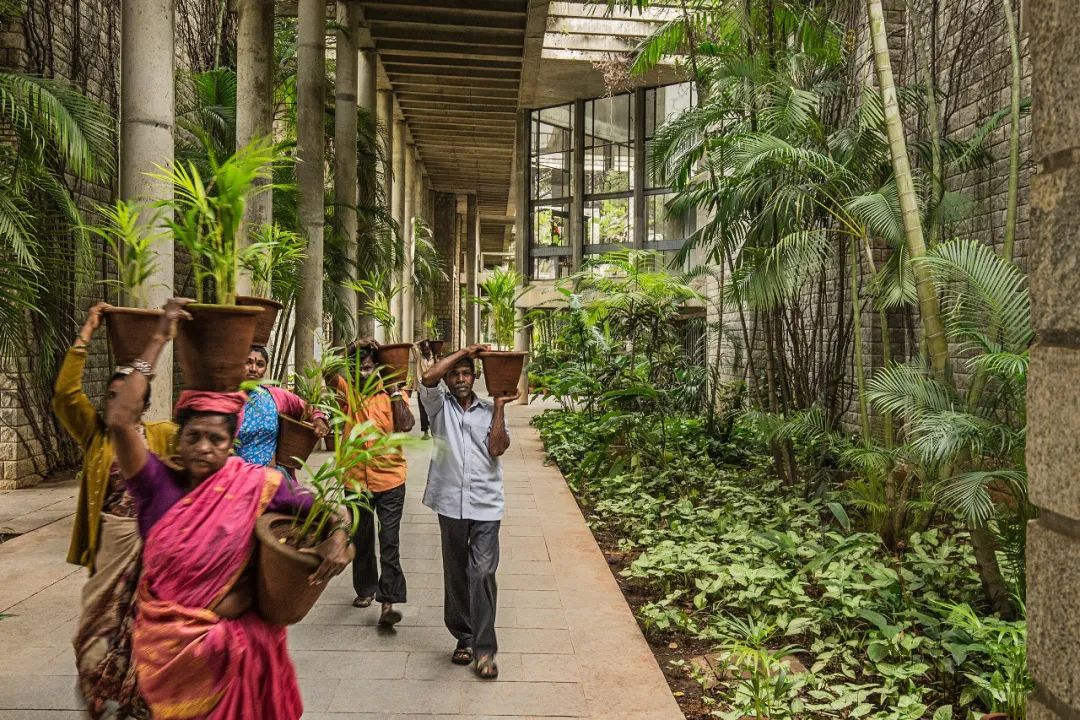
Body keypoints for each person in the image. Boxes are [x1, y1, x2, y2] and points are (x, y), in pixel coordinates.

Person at [106, 298, 353, 720]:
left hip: (240, 659)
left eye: (216, 440)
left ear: (231, 442)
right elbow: (120, 419)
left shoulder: (256, 483)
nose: (204, 448)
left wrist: (338, 539)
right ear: (178, 439)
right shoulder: (154, 485)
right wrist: (158, 338)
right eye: (194, 437)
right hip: (169, 656)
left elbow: (325, 513)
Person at [52, 301, 176, 720]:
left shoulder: (163, 436)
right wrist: (87, 330)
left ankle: (138, 701)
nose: (115, 401)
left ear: (142, 401)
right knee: (94, 633)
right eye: (110, 395)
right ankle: (100, 686)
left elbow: (206, 437)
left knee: (148, 632)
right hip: (110, 547)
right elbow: (66, 393)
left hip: (154, 554)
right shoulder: (95, 436)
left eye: (125, 395)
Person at [418, 344, 518, 680]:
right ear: (448, 379)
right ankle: (464, 636)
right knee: (457, 572)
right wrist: (465, 351)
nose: (460, 379)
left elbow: (497, 448)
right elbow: (426, 377)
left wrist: (501, 407)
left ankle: (485, 649)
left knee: (482, 572)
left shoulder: (489, 410)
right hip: (449, 502)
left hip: (487, 503)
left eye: (466, 373)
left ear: (475, 378)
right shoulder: (437, 408)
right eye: (454, 374)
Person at [336, 338, 414, 627]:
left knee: (389, 542)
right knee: (363, 538)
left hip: (390, 480)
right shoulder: (348, 393)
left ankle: (388, 602)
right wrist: (351, 346)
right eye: (360, 367)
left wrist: (393, 389)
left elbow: (406, 424)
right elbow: (327, 371)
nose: (366, 371)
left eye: (370, 366)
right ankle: (366, 588)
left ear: (380, 367)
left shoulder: (394, 394)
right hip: (355, 480)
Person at [236, 345, 330, 472]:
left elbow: (309, 409)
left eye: (260, 364)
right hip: (236, 477)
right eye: (248, 362)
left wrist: (318, 420)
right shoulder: (227, 399)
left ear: (265, 369)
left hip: (270, 477)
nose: (253, 369)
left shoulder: (276, 395)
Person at [413, 339, 436, 439]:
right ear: (421, 349)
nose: (426, 351)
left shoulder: (434, 358)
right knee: (423, 411)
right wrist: (423, 340)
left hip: (431, 387)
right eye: (424, 349)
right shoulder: (418, 357)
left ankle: (434, 430)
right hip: (421, 388)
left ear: (430, 348)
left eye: (427, 349)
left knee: (432, 410)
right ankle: (425, 432)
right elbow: (413, 346)